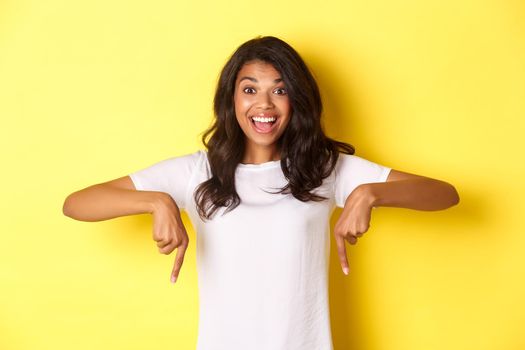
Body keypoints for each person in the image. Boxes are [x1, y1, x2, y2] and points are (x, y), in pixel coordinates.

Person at [63, 36, 459, 350]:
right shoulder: (195, 172)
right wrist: (156, 200)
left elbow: (444, 194)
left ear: (296, 101)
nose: (263, 104)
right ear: (232, 99)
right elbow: (77, 203)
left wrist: (369, 194)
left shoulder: (323, 168)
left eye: (279, 90)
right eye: (249, 89)